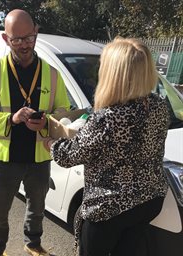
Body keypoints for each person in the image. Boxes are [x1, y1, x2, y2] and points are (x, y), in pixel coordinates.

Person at [49, 37, 170, 256]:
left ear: (113, 74)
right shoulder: (159, 106)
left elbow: (68, 156)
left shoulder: (108, 117)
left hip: (110, 208)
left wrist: (51, 139)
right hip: (149, 200)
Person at [0, 9, 70, 256]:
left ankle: (32, 244)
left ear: (36, 33)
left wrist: (47, 122)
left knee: (37, 208)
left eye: (29, 38)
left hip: (39, 158)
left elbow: (64, 111)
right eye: (17, 40)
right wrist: (11, 119)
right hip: (5, 159)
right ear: (6, 39)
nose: (25, 45)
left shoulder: (52, 73)